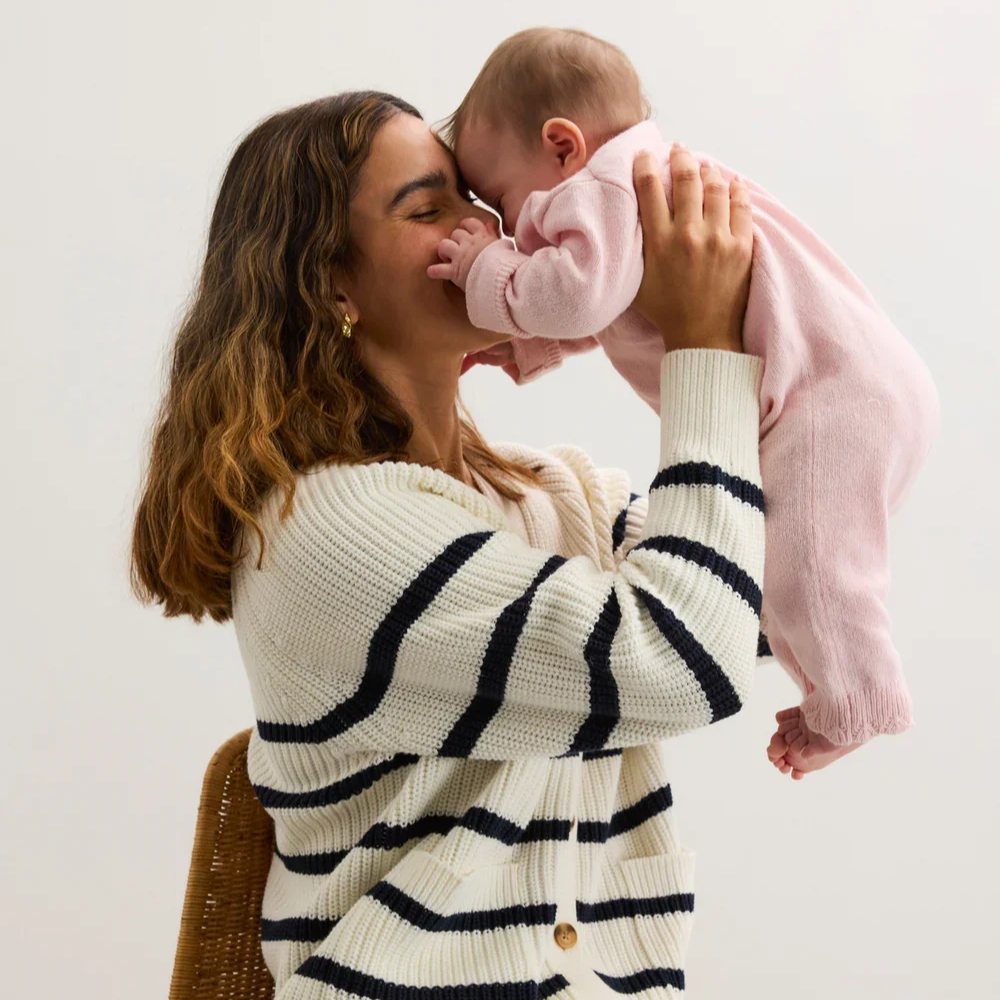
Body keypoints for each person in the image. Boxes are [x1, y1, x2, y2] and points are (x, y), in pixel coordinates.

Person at [131, 91, 763, 999]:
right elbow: (684, 660)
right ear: (330, 286)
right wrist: (702, 347)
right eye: (429, 210)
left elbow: (760, 598)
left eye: (478, 202)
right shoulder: (331, 530)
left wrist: (711, 315)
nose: (483, 227)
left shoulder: (549, 497)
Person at [434, 27, 941, 776]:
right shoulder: (639, 186)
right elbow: (608, 306)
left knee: (810, 571)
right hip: (849, 387)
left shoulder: (605, 188)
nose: (509, 226)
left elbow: (576, 299)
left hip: (827, 398)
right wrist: (522, 344)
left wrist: (487, 270)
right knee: (781, 560)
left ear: (563, 146)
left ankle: (857, 700)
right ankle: (839, 682)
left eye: (505, 198)